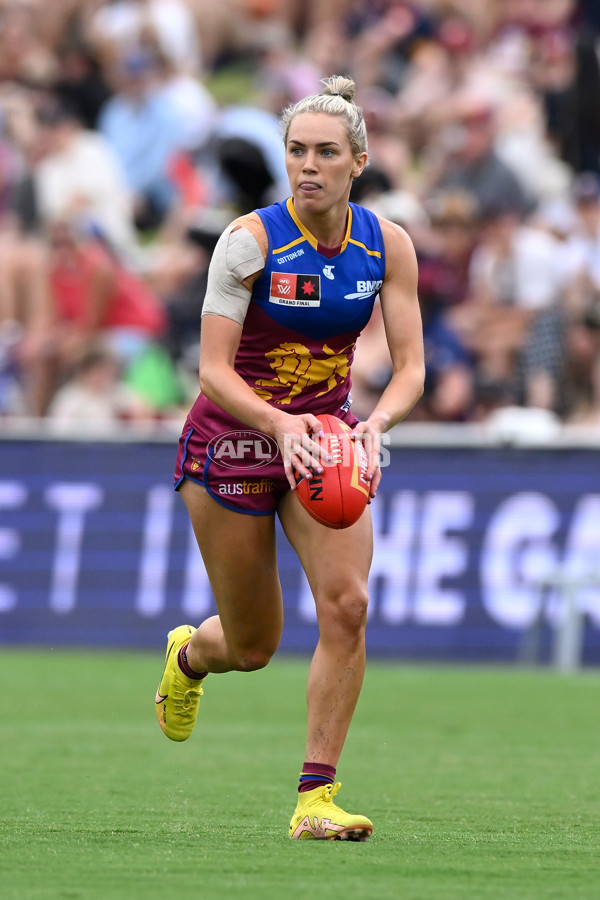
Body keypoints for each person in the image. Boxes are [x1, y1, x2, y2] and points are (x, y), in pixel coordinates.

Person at [154, 75, 425, 841]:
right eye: (297, 151)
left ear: (359, 161)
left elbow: (410, 368)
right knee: (253, 645)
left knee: (348, 606)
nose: (308, 166)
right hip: (237, 438)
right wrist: (278, 424)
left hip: (327, 439)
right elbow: (212, 369)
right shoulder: (249, 240)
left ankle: (316, 798)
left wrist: (374, 426)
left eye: (326, 153)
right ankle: (191, 656)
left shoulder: (387, 244)